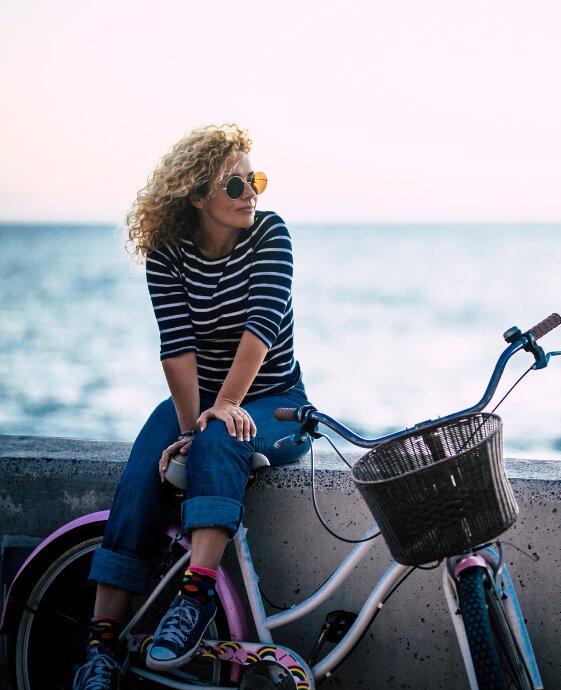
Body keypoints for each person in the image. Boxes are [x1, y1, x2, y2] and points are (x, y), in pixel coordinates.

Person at [73, 124, 310, 690]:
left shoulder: (271, 236)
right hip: (197, 402)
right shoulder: (167, 254)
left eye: (255, 178)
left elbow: (261, 329)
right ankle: (101, 648)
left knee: (221, 435)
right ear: (198, 196)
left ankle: (196, 595)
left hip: (277, 403)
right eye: (236, 184)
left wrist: (221, 410)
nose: (251, 192)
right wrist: (187, 427)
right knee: (139, 477)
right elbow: (176, 347)